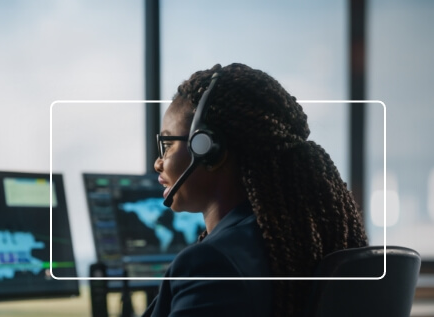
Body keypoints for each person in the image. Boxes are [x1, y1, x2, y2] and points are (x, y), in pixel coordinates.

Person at [142, 63, 368, 317]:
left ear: (208, 150)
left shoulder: (213, 264)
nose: (158, 163)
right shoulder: (295, 245)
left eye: (169, 144)